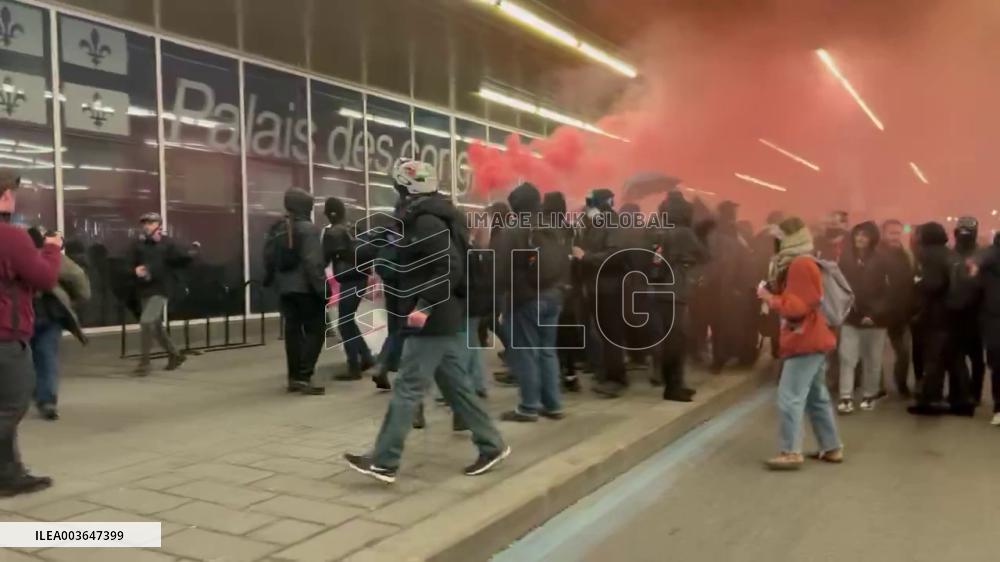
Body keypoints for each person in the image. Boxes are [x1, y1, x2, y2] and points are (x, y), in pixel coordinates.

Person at [345, 159, 509, 483]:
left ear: (406, 189)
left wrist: (423, 305)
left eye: (398, 187)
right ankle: (492, 444)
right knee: (457, 388)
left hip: (432, 317)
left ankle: (385, 460)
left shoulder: (427, 221)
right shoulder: (429, 217)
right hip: (442, 315)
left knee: (407, 387)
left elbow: (449, 267)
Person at [757, 217, 842, 470]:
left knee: (789, 397)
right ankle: (831, 447)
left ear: (790, 238)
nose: (775, 242)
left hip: (804, 339)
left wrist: (769, 298)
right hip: (812, 337)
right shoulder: (803, 261)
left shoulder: (799, 264)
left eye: (779, 236)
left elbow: (798, 307)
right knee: (817, 397)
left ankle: (790, 451)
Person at [0, 170, 60, 495]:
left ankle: (9, 473)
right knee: (12, 404)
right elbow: (45, 278)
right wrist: (51, 249)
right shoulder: (11, 237)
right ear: (6, 196)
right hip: (5, 337)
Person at [496, 183, 568, 422]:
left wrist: (504, 294)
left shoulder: (514, 229)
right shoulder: (554, 227)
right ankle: (553, 405)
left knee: (525, 353)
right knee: (547, 351)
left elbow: (502, 269)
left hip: (526, 300)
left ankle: (528, 407)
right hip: (553, 297)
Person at [263, 188, 327, 395]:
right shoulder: (308, 229)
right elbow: (312, 263)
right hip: (305, 289)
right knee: (316, 331)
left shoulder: (277, 229)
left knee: (293, 333)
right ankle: (305, 376)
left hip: (284, 289)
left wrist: (271, 281)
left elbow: (268, 258)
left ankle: (294, 378)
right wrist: (322, 289)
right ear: (305, 206)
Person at [907, 222, 974, 416]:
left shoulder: (928, 255)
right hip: (956, 313)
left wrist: (917, 284)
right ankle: (962, 400)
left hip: (935, 315)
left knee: (933, 359)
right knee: (956, 359)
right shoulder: (952, 254)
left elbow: (933, 284)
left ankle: (931, 400)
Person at [27, 227, 91, 421]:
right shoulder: (58, 260)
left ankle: (33, 395)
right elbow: (82, 286)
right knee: (47, 357)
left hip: (23, 317)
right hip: (50, 316)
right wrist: (70, 303)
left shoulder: (19, 258)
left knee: (23, 358)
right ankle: (47, 400)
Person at [652, 191, 709, 401]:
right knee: (677, 340)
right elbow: (705, 255)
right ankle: (673, 388)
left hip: (660, 289)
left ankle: (674, 383)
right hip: (676, 290)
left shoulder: (658, 229)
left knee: (670, 339)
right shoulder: (684, 232)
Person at [574, 188, 627, 398]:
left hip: (609, 288)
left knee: (611, 334)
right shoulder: (594, 224)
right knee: (603, 333)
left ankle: (616, 378)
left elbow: (615, 254)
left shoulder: (612, 222)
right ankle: (607, 373)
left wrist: (586, 257)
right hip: (596, 287)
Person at [835, 222, 891, 414]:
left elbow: (887, 292)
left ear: (872, 238)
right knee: (847, 358)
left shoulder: (882, 260)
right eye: (857, 234)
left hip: (876, 319)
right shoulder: (846, 259)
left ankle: (869, 394)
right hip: (851, 316)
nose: (859, 238)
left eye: (864, 235)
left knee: (872, 359)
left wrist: (873, 314)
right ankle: (845, 397)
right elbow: (840, 286)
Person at [129, 212, 194, 376]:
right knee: (156, 327)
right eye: (145, 223)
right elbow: (129, 263)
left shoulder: (168, 244)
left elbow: (182, 260)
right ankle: (175, 355)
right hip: (144, 288)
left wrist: (191, 252)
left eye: (150, 223)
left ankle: (144, 363)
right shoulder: (139, 245)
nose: (147, 226)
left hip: (161, 289)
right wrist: (135, 270)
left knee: (146, 322)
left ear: (158, 225)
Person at [322, 197, 376, 382]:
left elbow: (324, 258)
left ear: (330, 213)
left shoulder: (332, 233)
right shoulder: (354, 227)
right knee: (348, 320)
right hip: (361, 277)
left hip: (349, 279)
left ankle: (354, 367)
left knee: (344, 323)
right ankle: (366, 357)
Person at [879, 219, 915, 397]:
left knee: (904, 352)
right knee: (875, 353)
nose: (895, 236)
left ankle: (901, 384)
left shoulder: (907, 254)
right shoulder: (875, 254)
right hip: (880, 312)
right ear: (883, 233)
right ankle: (877, 387)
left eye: (898, 233)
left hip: (901, 312)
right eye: (891, 233)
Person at [953, 217, 986, 404]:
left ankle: (972, 393)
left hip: (974, 313)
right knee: (961, 356)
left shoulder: (981, 255)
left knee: (973, 357)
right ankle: (964, 392)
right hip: (960, 312)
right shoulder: (952, 254)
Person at [971, 232, 1000, 425]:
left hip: (993, 315)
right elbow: (982, 258)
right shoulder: (992, 254)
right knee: (998, 364)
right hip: (994, 317)